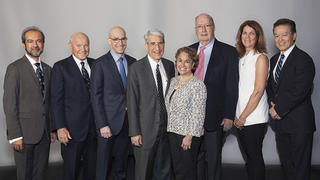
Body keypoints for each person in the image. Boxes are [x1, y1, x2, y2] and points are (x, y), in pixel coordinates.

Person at [189, 13, 239, 180]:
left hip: (215, 116)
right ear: (195, 29)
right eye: (199, 26)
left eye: (207, 25)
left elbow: (231, 86)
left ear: (213, 27)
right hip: (191, 117)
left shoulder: (228, 52)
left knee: (213, 161)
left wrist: (228, 115)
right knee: (195, 159)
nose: (203, 30)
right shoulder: (188, 51)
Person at [3, 26, 56, 180]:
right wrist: (15, 136)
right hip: (24, 135)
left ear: (43, 44)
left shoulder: (48, 70)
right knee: (25, 175)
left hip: (44, 134)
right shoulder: (15, 69)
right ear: (24, 45)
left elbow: (50, 103)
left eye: (39, 41)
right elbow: (9, 105)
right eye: (30, 41)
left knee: (41, 174)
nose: (35, 45)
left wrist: (52, 129)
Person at [266, 18, 315, 180]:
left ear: (294, 36)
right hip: (281, 125)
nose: (280, 39)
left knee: (300, 170)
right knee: (287, 167)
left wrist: (278, 109)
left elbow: (300, 91)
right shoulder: (273, 60)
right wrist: (272, 103)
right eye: (276, 35)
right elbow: (270, 87)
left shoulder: (303, 59)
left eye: (284, 35)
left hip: (299, 125)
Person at [127, 29, 175, 180]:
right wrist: (134, 132)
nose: (157, 47)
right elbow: (132, 101)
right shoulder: (136, 68)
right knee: (144, 172)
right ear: (146, 45)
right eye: (153, 43)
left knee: (164, 171)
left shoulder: (169, 65)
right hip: (145, 130)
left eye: (160, 43)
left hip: (166, 129)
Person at [91, 26, 136, 180]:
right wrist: (102, 124)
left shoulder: (132, 62)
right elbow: (95, 96)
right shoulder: (100, 64)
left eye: (123, 38)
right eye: (116, 39)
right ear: (109, 41)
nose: (120, 42)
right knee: (103, 164)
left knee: (122, 163)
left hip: (126, 122)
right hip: (107, 124)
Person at [50, 32, 97, 180]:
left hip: (95, 130)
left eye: (86, 45)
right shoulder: (60, 67)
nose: (83, 49)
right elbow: (56, 100)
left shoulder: (97, 64)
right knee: (71, 172)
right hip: (71, 131)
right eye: (78, 45)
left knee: (93, 171)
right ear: (70, 46)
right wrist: (60, 127)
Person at [234, 20, 269, 180]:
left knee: (254, 157)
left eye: (252, 33)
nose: (247, 36)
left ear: (257, 37)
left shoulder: (260, 58)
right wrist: (237, 115)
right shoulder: (241, 57)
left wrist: (243, 117)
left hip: (254, 118)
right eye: (245, 32)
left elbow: (258, 91)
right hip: (240, 117)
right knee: (249, 157)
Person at [166, 47, 207, 180]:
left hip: (187, 135)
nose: (182, 65)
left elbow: (198, 113)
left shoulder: (197, 85)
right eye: (180, 60)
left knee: (187, 172)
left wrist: (189, 136)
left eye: (187, 61)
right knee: (177, 170)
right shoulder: (173, 81)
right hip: (172, 132)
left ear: (193, 64)